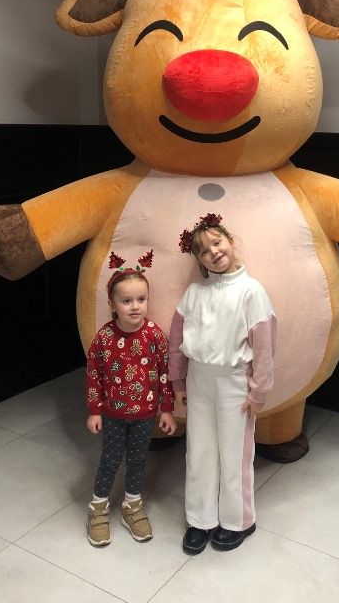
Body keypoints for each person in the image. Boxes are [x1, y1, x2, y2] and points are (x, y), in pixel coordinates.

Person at [169, 214, 276, 555]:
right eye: (203, 250)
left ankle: (238, 520)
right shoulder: (193, 294)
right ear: (199, 260)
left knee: (234, 453)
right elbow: (176, 342)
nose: (213, 252)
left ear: (230, 242)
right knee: (199, 451)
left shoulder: (251, 291)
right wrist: (178, 382)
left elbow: (264, 347)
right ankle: (200, 519)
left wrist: (258, 392)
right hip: (199, 380)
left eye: (217, 243)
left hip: (234, 383)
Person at [85, 253, 176, 547]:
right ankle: (98, 508)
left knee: (137, 460)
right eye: (126, 301)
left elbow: (165, 373)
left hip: (145, 414)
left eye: (141, 299)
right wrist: (94, 411)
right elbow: (94, 376)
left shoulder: (154, 336)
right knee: (110, 460)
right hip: (112, 414)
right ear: (112, 304)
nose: (135, 306)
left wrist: (166, 409)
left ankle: (132, 506)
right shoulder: (103, 338)